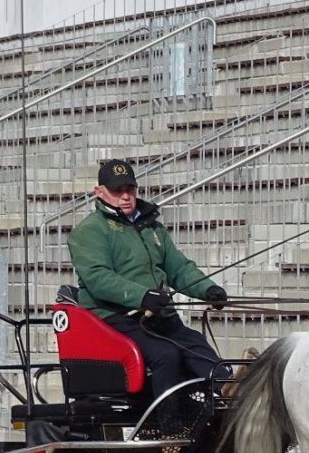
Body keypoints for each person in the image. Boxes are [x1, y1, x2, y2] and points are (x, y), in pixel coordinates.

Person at [68, 158, 229, 396]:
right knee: (166, 355)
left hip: (159, 315)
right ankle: (169, 427)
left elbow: (179, 268)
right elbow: (98, 278)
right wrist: (142, 296)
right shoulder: (89, 231)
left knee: (198, 348)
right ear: (99, 193)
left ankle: (226, 395)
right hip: (117, 318)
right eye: (117, 191)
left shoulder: (153, 228)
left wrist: (207, 290)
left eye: (129, 189)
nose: (125, 196)